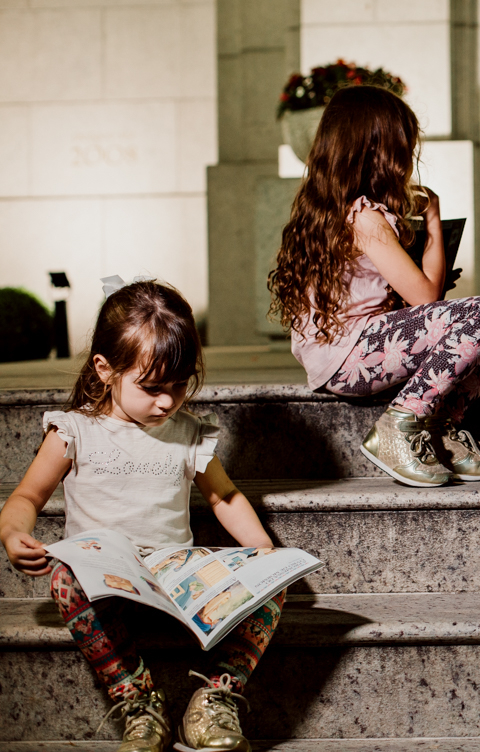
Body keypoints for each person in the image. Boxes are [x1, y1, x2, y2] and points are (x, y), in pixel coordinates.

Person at [0, 278, 283, 752]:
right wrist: (13, 533)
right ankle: (139, 700)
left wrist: (264, 552)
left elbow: (224, 497)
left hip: (174, 577)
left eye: (179, 385)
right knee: (63, 580)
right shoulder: (74, 431)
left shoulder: (188, 432)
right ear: (105, 369)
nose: (168, 401)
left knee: (274, 587)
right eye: (152, 388)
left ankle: (214, 701)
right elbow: (27, 496)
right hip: (105, 580)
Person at [269, 85, 480, 487]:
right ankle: (402, 423)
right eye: (403, 146)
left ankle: (442, 428)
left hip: (355, 351)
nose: (408, 158)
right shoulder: (366, 217)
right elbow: (424, 296)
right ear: (378, 150)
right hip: (350, 356)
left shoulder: (338, 210)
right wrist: (433, 219)